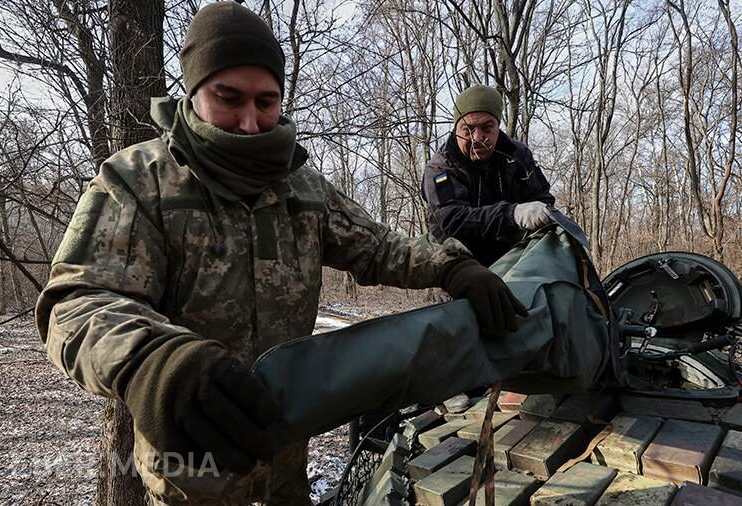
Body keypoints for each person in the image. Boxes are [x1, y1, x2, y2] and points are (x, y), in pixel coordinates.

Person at [34, 3, 525, 504]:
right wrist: (152, 362)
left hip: (285, 448)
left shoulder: (299, 186)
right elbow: (76, 304)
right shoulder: (139, 181)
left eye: (267, 102)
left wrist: (453, 264)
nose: (250, 123)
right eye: (229, 98)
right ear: (193, 90)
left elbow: (378, 247)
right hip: (193, 460)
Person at [422, 84, 556, 267]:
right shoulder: (440, 168)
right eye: (468, 129)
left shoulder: (517, 155)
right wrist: (513, 214)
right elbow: (453, 220)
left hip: (517, 259)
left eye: (487, 128)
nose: (477, 137)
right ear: (455, 130)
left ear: (498, 127)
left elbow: (542, 199)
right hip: (460, 264)